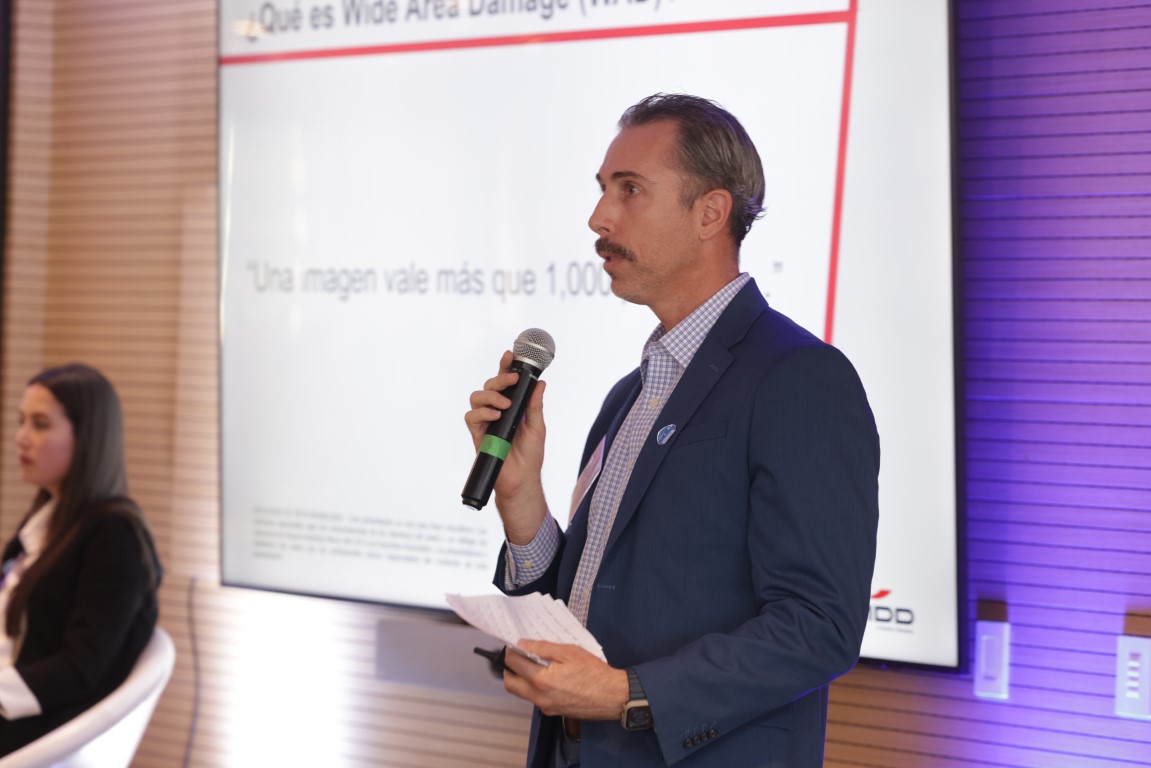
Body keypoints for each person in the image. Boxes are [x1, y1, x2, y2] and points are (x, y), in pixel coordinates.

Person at [465, 93, 880, 767]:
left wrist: (626, 694)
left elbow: (818, 627)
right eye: (603, 188)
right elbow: (584, 610)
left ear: (710, 213)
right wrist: (521, 501)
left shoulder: (799, 378)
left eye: (629, 190)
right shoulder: (626, 397)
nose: (598, 217)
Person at [0, 363, 161, 754]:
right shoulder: (47, 521)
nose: (21, 438)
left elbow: (79, 668)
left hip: (33, 733)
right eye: (22, 422)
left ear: (87, 436)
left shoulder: (114, 537)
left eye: (40, 424)